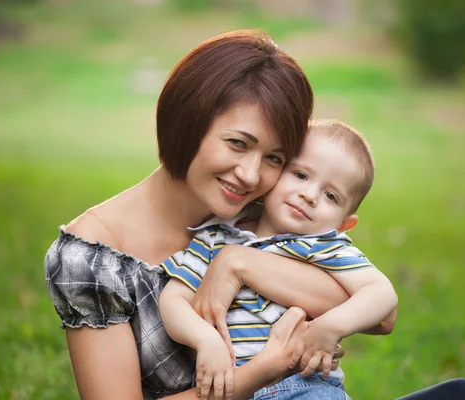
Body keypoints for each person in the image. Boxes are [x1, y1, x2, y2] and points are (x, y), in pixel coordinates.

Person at [44, 29, 465, 400]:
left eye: (275, 158)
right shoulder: (92, 257)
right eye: (237, 143)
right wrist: (263, 370)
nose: (250, 173)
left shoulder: (260, 213)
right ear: (188, 120)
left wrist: (239, 263)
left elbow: (381, 314)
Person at [159, 119, 398, 400]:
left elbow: (382, 294)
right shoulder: (217, 236)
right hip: (231, 388)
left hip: (303, 388)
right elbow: (173, 300)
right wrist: (204, 339)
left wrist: (330, 326)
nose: (309, 195)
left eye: (331, 196)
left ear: (345, 224)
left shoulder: (324, 247)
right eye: (300, 175)